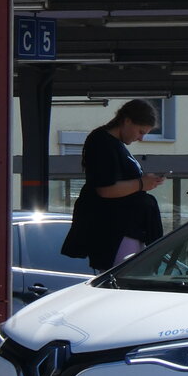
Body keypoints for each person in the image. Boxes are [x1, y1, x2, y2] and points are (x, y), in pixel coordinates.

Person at [61, 99, 165, 273]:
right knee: (124, 279)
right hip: (115, 231)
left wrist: (144, 183)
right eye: (140, 132)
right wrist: (142, 183)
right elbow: (105, 189)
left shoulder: (114, 144)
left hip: (125, 229)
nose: (141, 138)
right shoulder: (102, 142)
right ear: (127, 121)